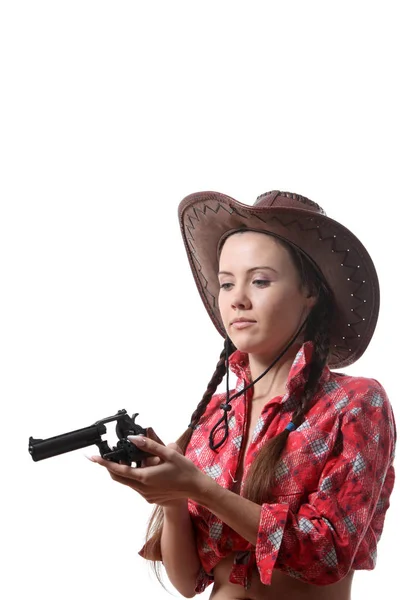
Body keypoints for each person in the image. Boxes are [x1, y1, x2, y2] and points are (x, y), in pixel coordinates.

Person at [90, 190, 396, 600]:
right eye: (227, 283)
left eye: (260, 280)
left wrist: (203, 490)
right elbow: (187, 582)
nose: (237, 299)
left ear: (312, 292)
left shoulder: (356, 403)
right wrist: (175, 498)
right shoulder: (217, 417)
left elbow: (325, 553)